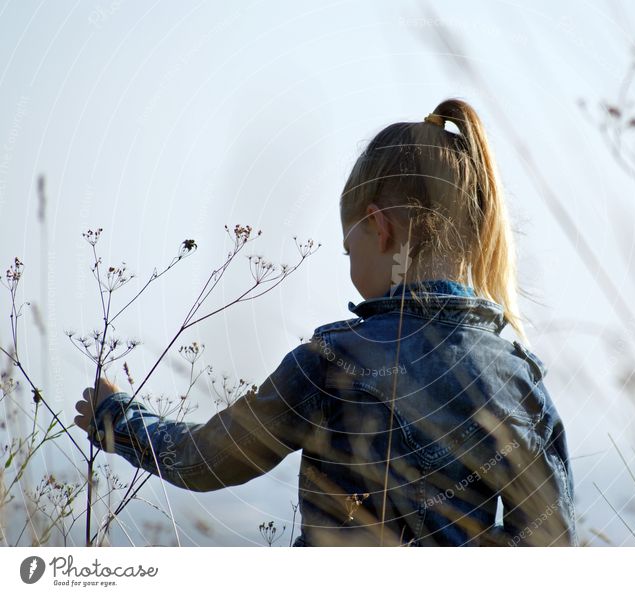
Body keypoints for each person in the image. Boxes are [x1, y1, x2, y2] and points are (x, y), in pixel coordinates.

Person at [74, 98, 577, 547]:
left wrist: (116, 419)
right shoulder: (520, 381)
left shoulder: (333, 362)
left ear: (380, 229)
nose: (349, 265)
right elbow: (551, 544)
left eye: (347, 248)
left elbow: (206, 460)